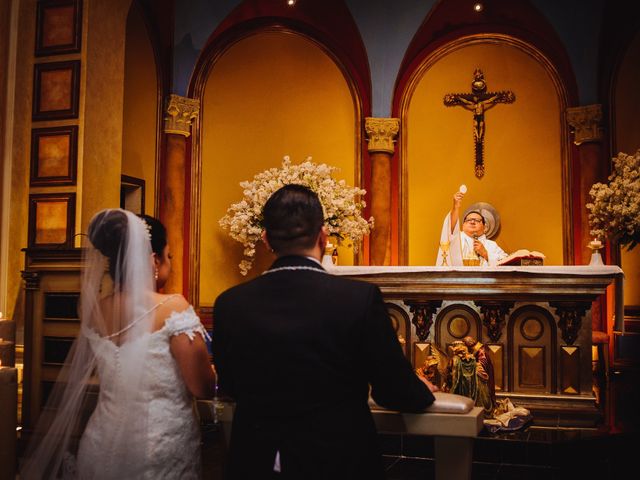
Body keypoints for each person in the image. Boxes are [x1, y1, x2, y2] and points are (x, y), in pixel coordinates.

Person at [212, 184, 438, 480]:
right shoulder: (359, 299)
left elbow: (229, 384)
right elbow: (392, 391)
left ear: (266, 240)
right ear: (323, 237)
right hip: (339, 460)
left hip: (256, 460)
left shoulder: (230, 303)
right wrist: (421, 389)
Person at [21, 209, 215, 479]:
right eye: (168, 256)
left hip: (100, 440)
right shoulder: (172, 308)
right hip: (158, 447)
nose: (169, 263)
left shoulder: (95, 312)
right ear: (154, 260)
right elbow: (201, 386)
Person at [436, 189, 507, 266]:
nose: (472, 222)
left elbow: (506, 263)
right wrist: (456, 207)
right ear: (462, 226)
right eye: (469, 220)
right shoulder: (457, 239)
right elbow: (449, 228)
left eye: (477, 220)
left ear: (485, 227)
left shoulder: (491, 245)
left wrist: (486, 254)